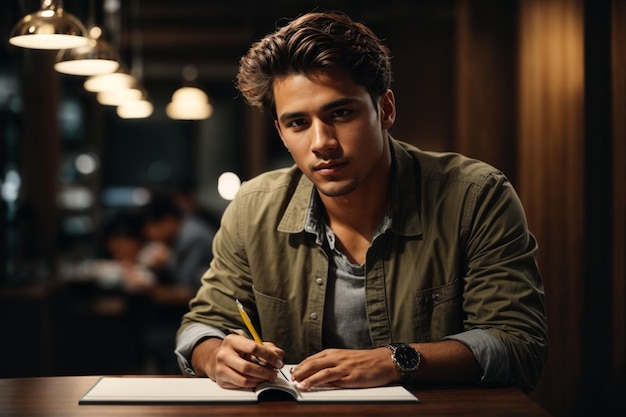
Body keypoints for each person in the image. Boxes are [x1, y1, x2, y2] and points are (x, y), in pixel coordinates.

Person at [175, 11, 548, 393]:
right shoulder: (253, 209)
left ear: (385, 109)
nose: (321, 142)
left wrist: (396, 360)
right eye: (298, 123)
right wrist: (218, 355)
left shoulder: (475, 196)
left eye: (340, 113)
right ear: (281, 133)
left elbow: (518, 344)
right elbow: (201, 325)